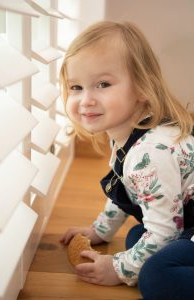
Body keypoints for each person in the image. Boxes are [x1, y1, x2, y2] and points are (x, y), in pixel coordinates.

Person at [59, 20, 194, 300]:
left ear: (143, 87)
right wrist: (99, 230)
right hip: (184, 221)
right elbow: (125, 188)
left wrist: (119, 269)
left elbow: (164, 231)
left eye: (103, 84)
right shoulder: (126, 134)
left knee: (155, 277)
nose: (86, 100)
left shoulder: (151, 152)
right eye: (76, 87)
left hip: (186, 225)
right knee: (137, 236)